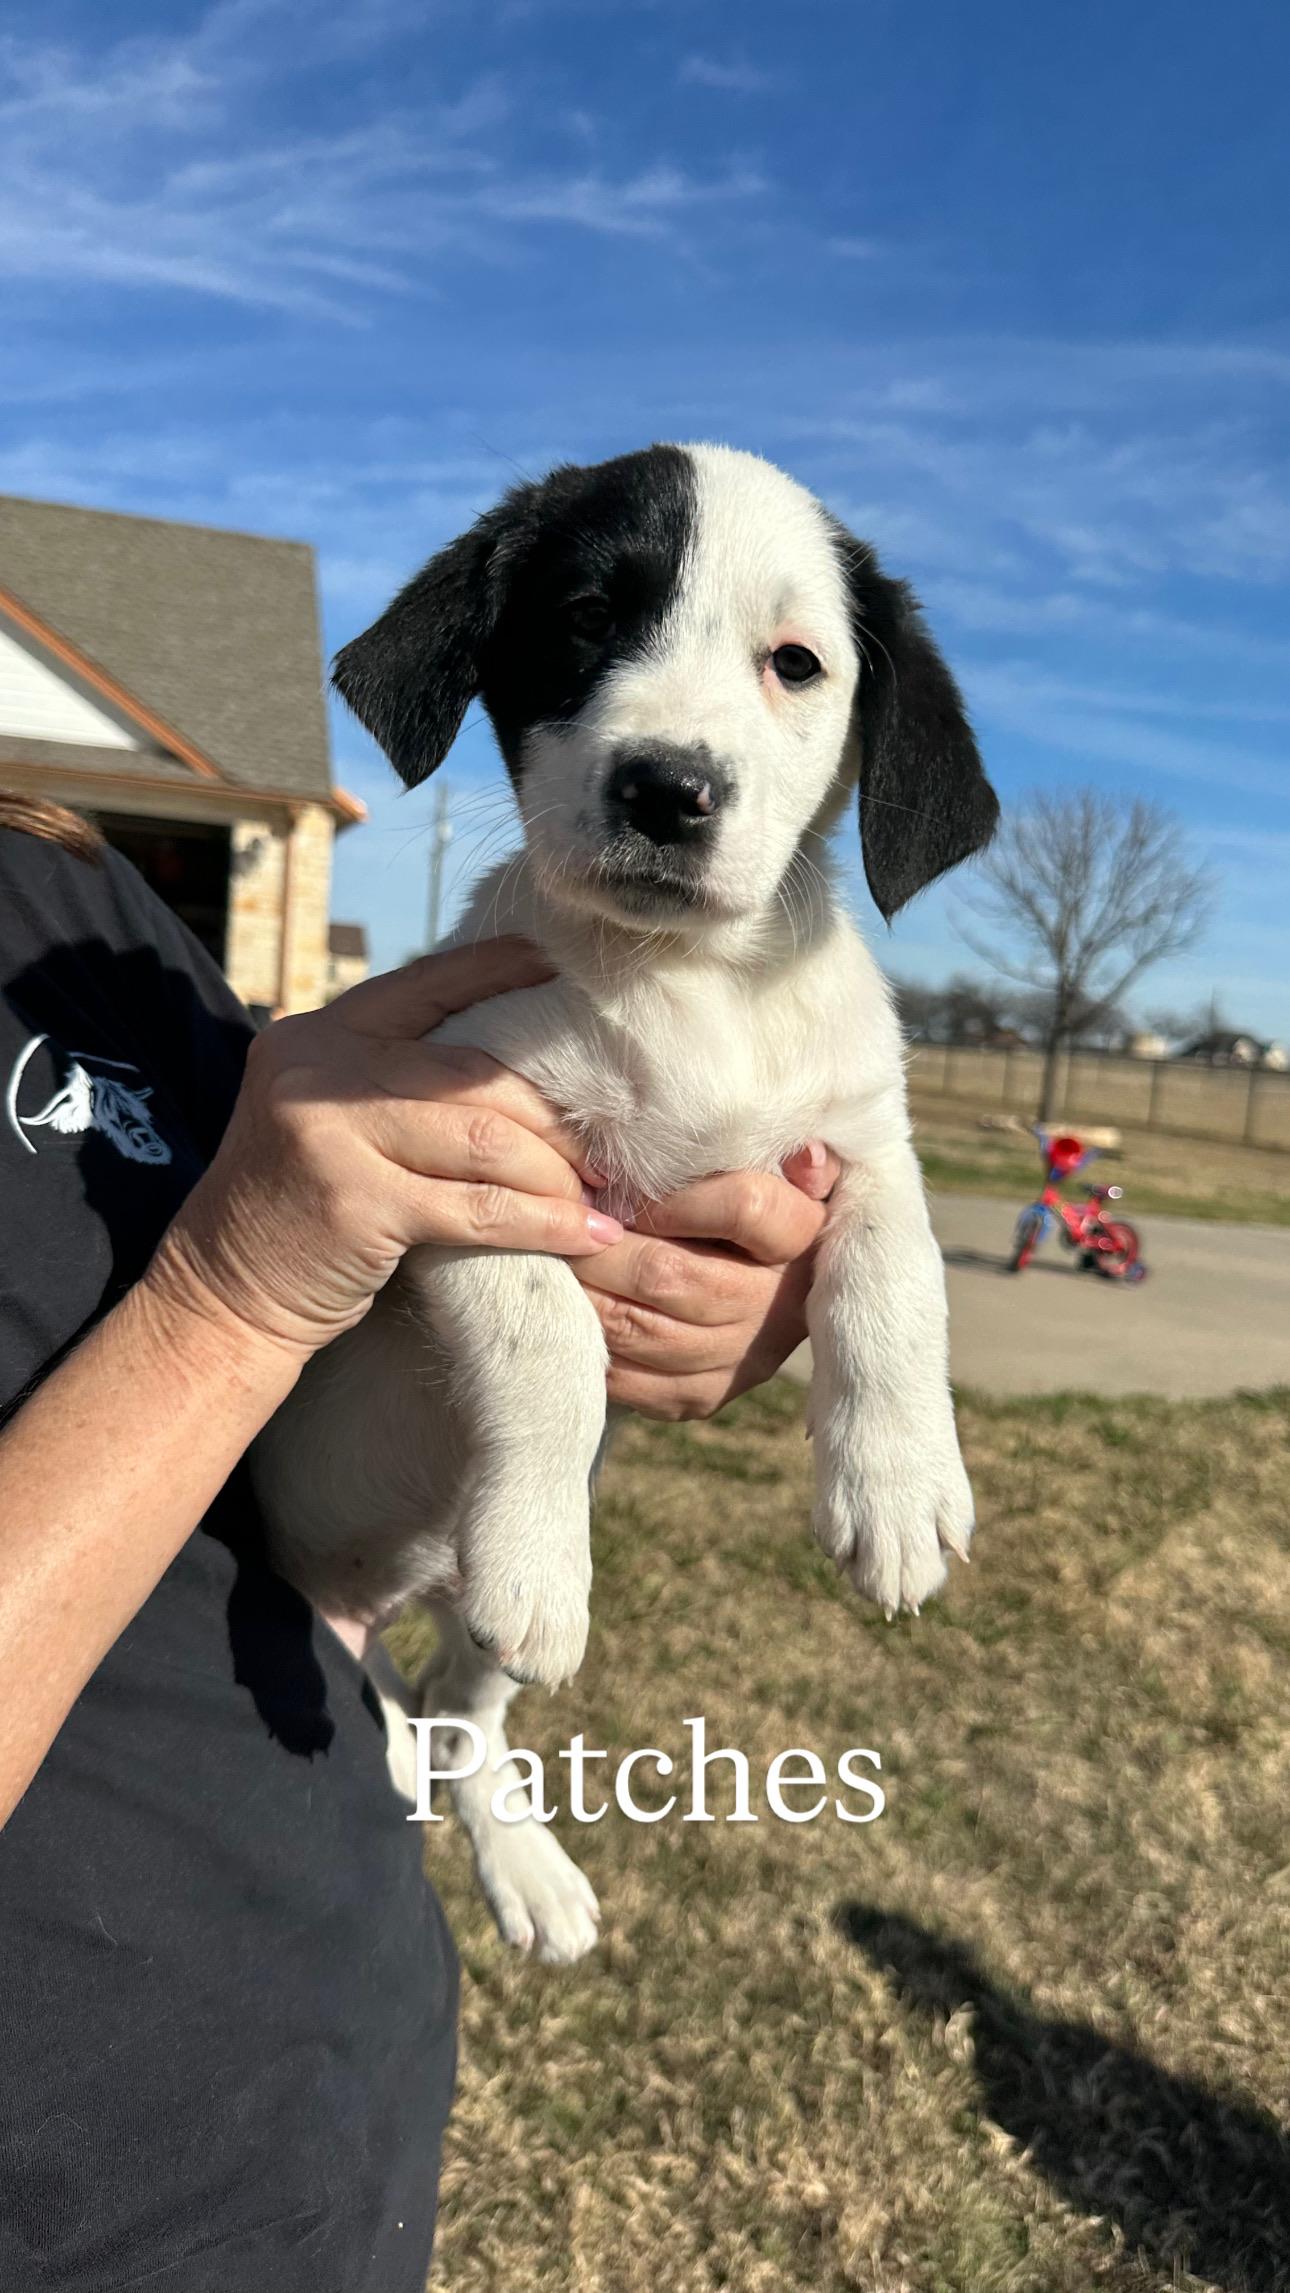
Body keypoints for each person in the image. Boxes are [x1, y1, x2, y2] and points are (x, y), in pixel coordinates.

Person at [0, 793, 836, 2293]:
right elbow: (268, 1272)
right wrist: (231, 1299)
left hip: (333, 2110)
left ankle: (472, 1762)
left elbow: (398, 1210)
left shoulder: (79, 897)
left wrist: (665, 1272)